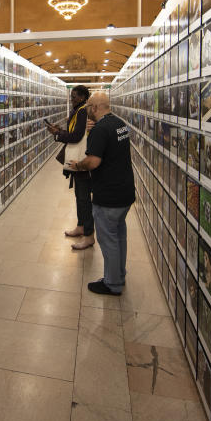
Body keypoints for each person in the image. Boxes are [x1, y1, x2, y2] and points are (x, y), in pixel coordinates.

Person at [67, 92, 135, 295]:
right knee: (119, 236)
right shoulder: (120, 124)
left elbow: (93, 161)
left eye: (88, 107)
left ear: (95, 107)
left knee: (108, 240)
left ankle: (112, 283)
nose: (87, 111)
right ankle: (119, 274)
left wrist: (78, 165)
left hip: (108, 195)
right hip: (124, 193)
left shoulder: (101, 129)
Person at [47, 85, 93, 250]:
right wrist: (59, 130)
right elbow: (74, 131)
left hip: (80, 161)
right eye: (71, 96)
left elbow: (76, 136)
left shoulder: (82, 111)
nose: (71, 99)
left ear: (82, 97)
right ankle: (81, 227)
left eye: (74, 96)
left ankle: (88, 236)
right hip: (76, 161)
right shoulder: (79, 110)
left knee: (84, 199)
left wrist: (58, 134)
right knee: (80, 197)